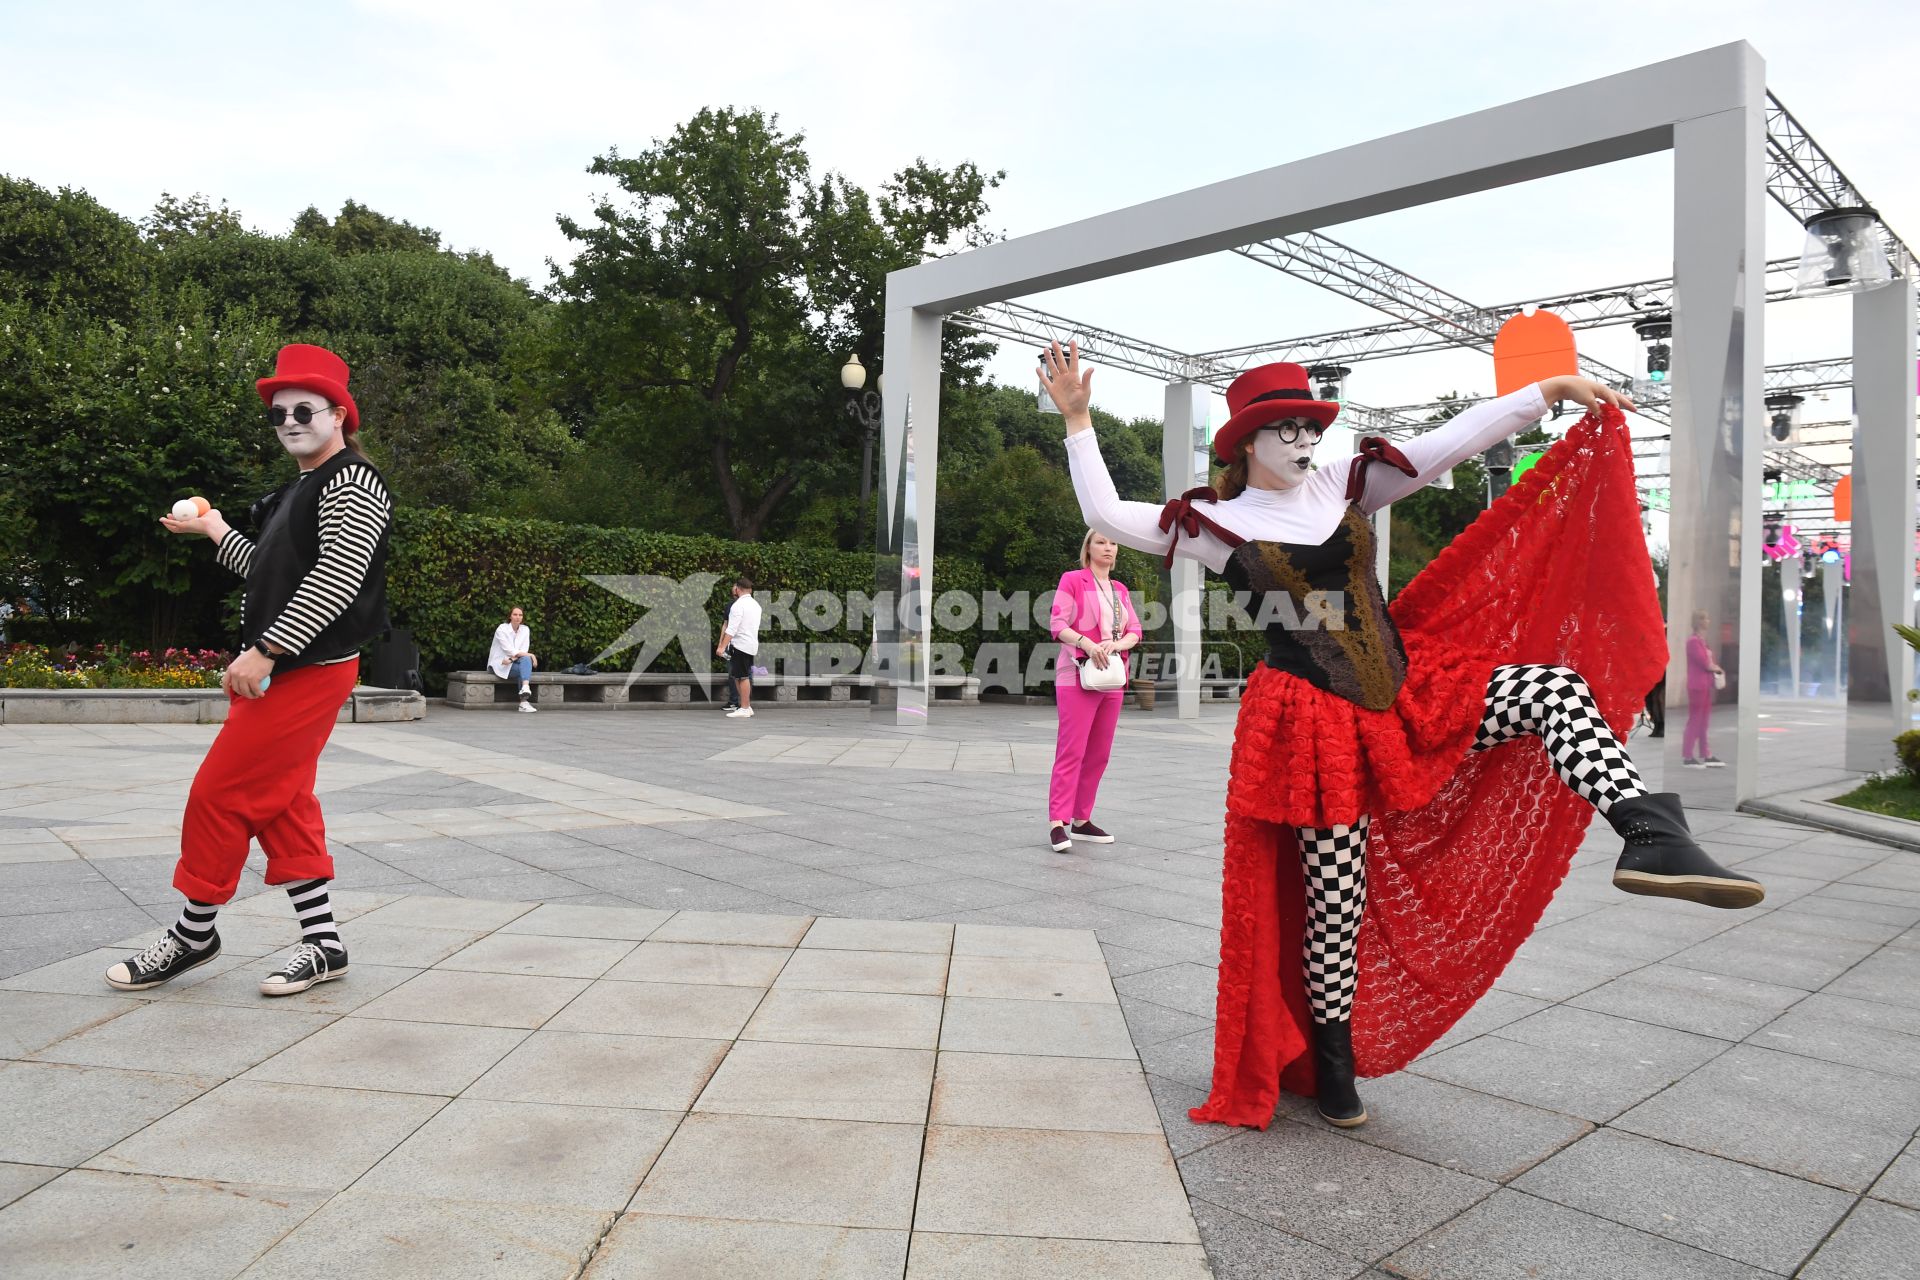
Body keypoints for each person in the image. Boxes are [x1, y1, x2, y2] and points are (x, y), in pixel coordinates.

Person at [1041, 342, 1763, 1132]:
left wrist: (1544, 390)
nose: (1303, 441)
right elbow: (1108, 516)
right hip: (1311, 720)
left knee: (1555, 691)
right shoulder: (1216, 524)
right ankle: (1335, 1065)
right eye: (1285, 429)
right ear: (1246, 442)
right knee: (1335, 905)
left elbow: (1451, 440)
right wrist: (1077, 418)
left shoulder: (1348, 482)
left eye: (1309, 426)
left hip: (1407, 687)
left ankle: (1649, 830)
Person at [108, 343, 392, 997]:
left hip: (308, 669)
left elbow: (340, 576)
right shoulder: (300, 490)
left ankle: (192, 933)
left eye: (304, 408)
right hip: (290, 669)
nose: (289, 420)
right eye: (278, 412)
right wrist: (211, 528)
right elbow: (262, 568)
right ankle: (324, 944)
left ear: (340, 415)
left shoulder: (353, 481)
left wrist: (266, 649)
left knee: (219, 793)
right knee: (283, 803)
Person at [1047, 530, 1143, 852]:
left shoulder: (1120, 589)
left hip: (1111, 676)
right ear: (1088, 548)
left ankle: (1082, 819)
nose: (1109, 548)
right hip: (1076, 675)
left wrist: (1116, 644)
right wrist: (1087, 643)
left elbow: (1136, 630)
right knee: (1071, 750)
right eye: (1101, 542)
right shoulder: (1073, 579)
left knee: (1099, 754)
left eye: (1113, 543)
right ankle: (1058, 822)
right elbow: (1058, 625)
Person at [1685, 609, 1726, 767]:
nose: (1708, 621)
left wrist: (1715, 668)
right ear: (1699, 622)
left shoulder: (1702, 641)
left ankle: (1705, 753)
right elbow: (1704, 662)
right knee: (1695, 721)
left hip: (1705, 684)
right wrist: (1717, 668)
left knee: (1704, 722)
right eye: (1705, 618)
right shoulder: (1693, 642)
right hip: (1697, 685)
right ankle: (1688, 756)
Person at [716, 575, 761, 719]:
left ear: (737, 588)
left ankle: (745, 707)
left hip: (740, 645)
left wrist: (721, 647)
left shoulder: (738, 605)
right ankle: (745, 705)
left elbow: (731, 629)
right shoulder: (756, 605)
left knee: (742, 676)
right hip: (750, 644)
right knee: (740, 675)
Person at [489, 606, 538, 712]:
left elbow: (523, 650)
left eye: (520, 615)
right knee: (526, 661)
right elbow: (509, 650)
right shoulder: (502, 629)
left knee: (525, 659)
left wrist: (512, 660)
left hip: (513, 662)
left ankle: (525, 687)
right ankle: (524, 702)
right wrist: (532, 655)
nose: (518, 617)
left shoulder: (525, 630)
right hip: (499, 664)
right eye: (515, 614)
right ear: (510, 616)